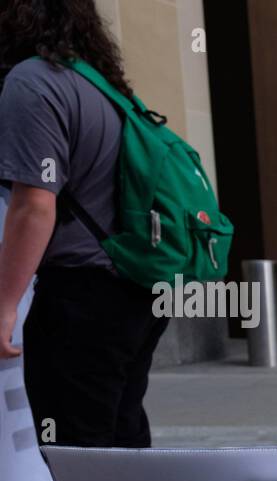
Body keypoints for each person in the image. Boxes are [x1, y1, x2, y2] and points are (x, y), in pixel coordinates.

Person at [0, 0, 167, 448]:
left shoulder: (30, 81)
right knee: (121, 431)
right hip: (137, 286)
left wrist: (5, 305)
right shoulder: (100, 84)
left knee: (80, 448)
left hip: (84, 293)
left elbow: (34, 204)